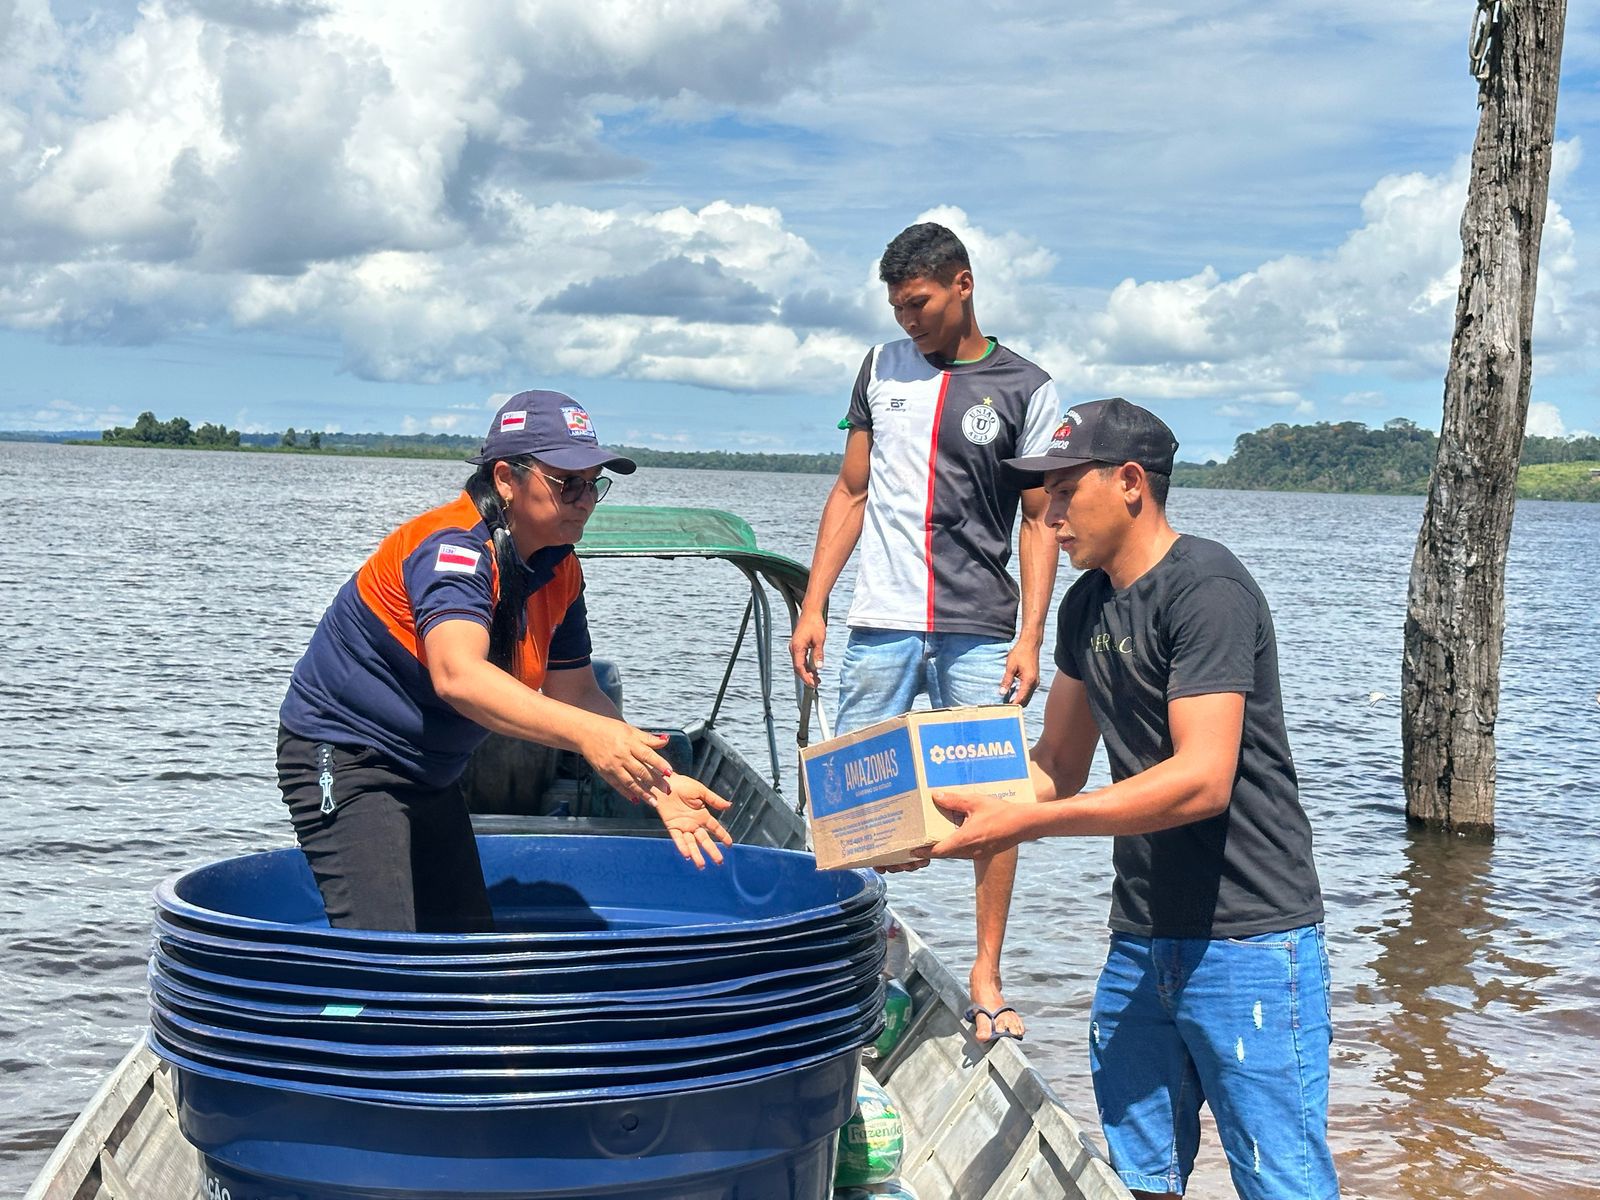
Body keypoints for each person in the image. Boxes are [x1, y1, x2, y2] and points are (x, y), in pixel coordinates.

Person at [925, 397, 1338, 1199]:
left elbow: (1201, 779)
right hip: (1141, 935)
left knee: (1283, 1182)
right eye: (1036, 497)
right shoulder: (1087, 605)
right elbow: (1055, 764)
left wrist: (1031, 822)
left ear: (1129, 483)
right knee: (1139, 1177)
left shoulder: (1208, 587)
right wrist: (937, 817)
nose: (1044, 517)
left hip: (1249, 937)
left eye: (1060, 492)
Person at [277, 390, 733, 933]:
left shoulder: (558, 569)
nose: (585, 498)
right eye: (568, 482)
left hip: (431, 772)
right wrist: (590, 737)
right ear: (504, 479)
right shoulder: (453, 549)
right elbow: (459, 677)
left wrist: (658, 782)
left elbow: (577, 693)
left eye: (594, 483)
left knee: (464, 948)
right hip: (346, 757)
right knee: (385, 953)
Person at [789, 222, 1061, 1043]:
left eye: (920, 304)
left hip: (981, 628)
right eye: (897, 307)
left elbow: (1041, 521)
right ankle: (847, 954)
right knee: (851, 804)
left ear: (962, 284)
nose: (908, 320)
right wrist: (813, 603)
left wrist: (1032, 635)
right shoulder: (879, 368)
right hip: (881, 622)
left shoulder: (1027, 387)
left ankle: (985, 973)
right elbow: (851, 492)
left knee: (998, 804)